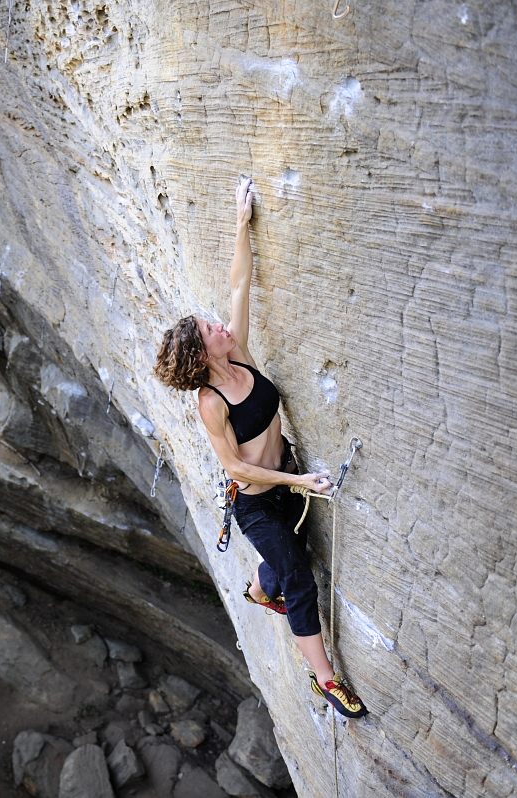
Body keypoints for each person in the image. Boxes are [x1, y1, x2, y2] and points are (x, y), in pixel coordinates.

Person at [152, 178, 368, 719]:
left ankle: (256, 589)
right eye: (210, 329)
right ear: (203, 355)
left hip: (290, 481)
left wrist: (241, 221)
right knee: (296, 574)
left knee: (278, 568)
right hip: (257, 501)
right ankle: (326, 680)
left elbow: (239, 285)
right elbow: (233, 465)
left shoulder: (241, 354)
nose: (219, 324)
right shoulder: (211, 402)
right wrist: (299, 483)